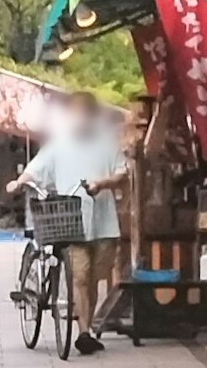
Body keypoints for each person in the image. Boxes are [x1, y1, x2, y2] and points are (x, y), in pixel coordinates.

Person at [14, 101, 129, 354]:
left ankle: (87, 327)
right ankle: (84, 332)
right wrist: (19, 182)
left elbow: (122, 173)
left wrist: (103, 183)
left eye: (86, 115)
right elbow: (35, 169)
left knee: (95, 277)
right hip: (70, 220)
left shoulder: (107, 143)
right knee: (80, 276)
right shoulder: (58, 144)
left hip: (104, 223)